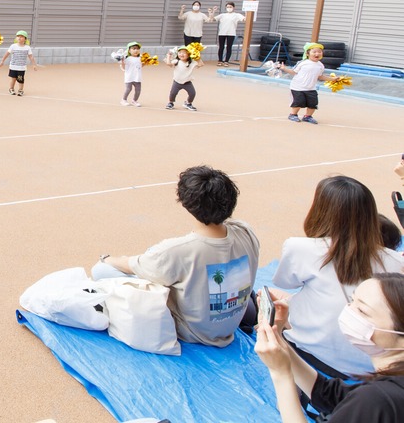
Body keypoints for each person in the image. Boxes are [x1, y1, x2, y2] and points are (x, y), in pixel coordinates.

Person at [93, 164, 260, 347]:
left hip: (193, 333)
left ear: (186, 203)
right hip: (230, 323)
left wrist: (107, 258)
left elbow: (130, 264)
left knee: (101, 271)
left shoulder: (178, 250)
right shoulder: (246, 231)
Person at [272, 176, 404, 377]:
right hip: (374, 364)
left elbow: (286, 282)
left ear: (321, 210)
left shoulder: (300, 248)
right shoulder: (396, 260)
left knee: (269, 298)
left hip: (311, 352)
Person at [256, 273, 404, 423]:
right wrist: (280, 341)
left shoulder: (376, 400)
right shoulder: (387, 387)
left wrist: (280, 374)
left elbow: (363, 402)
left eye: (362, 311)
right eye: (352, 301)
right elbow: (330, 395)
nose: (349, 311)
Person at [278, 42, 333, 124]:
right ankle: (293, 114)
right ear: (307, 53)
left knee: (313, 104)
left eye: (319, 52)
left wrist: (332, 79)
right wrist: (284, 68)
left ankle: (308, 116)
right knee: (298, 102)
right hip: (298, 87)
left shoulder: (320, 65)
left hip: (311, 88)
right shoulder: (302, 63)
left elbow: (320, 76)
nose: (317, 54)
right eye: (314, 52)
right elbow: (293, 72)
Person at [0, 31, 39, 96]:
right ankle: (11, 89)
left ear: (25, 39)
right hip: (13, 67)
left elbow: (31, 56)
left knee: (20, 79)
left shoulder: (27, 47)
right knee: (13, 79)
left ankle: (20, 90)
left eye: (21, 37)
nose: (19, 38)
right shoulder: (13, 46)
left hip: (21, 68)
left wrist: (34, 65)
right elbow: (7, 54)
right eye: (18, 36)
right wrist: (2, 61)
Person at [166, 45, 202, 111]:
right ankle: (171, 102)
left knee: (192, 93)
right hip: (177, 81)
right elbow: (169, 64)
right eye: (179, 52)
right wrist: (168, 56)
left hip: (187, 82)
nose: (181, 54)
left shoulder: (191, 63)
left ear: (189, 55)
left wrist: (198, 57)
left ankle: (188, 103)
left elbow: (200, 65)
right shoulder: (176, 61)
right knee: (173, 93)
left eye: (184, 53)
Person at [213, 2, 246, 66]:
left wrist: (246, 12)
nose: (229, 8)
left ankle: (226, 61)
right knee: (221, 47)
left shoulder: (236, 15)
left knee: (229, 47)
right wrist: (213, 11)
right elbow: (213, 19)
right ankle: (220, 60)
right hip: (222, 33)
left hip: (231, 33)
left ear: (233, 7)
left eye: (230, 7)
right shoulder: (222, 15)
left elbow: (244, 19)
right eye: (227, 7)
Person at [120, 41, 143, 107]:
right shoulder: (127, 58)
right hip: (129, 76)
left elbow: (140, 66)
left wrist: (147, 62)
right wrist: (121, 60)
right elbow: (123, 65)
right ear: (129, 50)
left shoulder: (140, 58)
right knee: (128, 89)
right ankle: (123, 100)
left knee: (138, 90)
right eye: (134, 49)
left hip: (137, 76)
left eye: (137, 49)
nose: (136, 50)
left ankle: (134, 101)